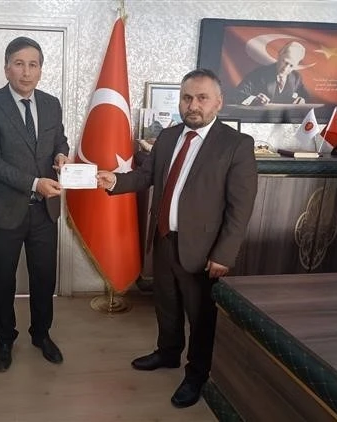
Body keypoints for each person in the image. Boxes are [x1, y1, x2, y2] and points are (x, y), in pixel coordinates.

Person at [97, 69, 257, 408]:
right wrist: (114, 181)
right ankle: (168, 352)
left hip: (202, 250)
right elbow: (144, 176)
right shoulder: (169, 136)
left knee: (200, 317)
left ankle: (196, 373)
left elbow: (240, 207)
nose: (193, 105)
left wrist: (224, 254)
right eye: (187, 98)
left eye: (202, 98)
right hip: (164, 240)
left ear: (218, 102)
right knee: (166, 304)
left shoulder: (236, 145)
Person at [0, 37, 70, 372]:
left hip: (45, 211)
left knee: (44, 278)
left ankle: (41, 334)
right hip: (4, 211)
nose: (26, 72)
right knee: (2, 281)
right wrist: (34, 183)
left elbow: (59, 140)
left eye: (33, 65)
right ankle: (4, 339)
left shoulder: (52, 104)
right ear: (6, 68)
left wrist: (62, 154)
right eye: (19, 64)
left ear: (40, 69)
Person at [232, 41, 310, 105]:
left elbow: (306, 97)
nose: (285, 68)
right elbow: (237, 94)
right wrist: (254, 99)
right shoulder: (259, 73)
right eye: (285, 62)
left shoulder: (296, 77)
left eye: (291, 65)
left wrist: (302, 100)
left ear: (296, 65)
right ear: (279, 55)